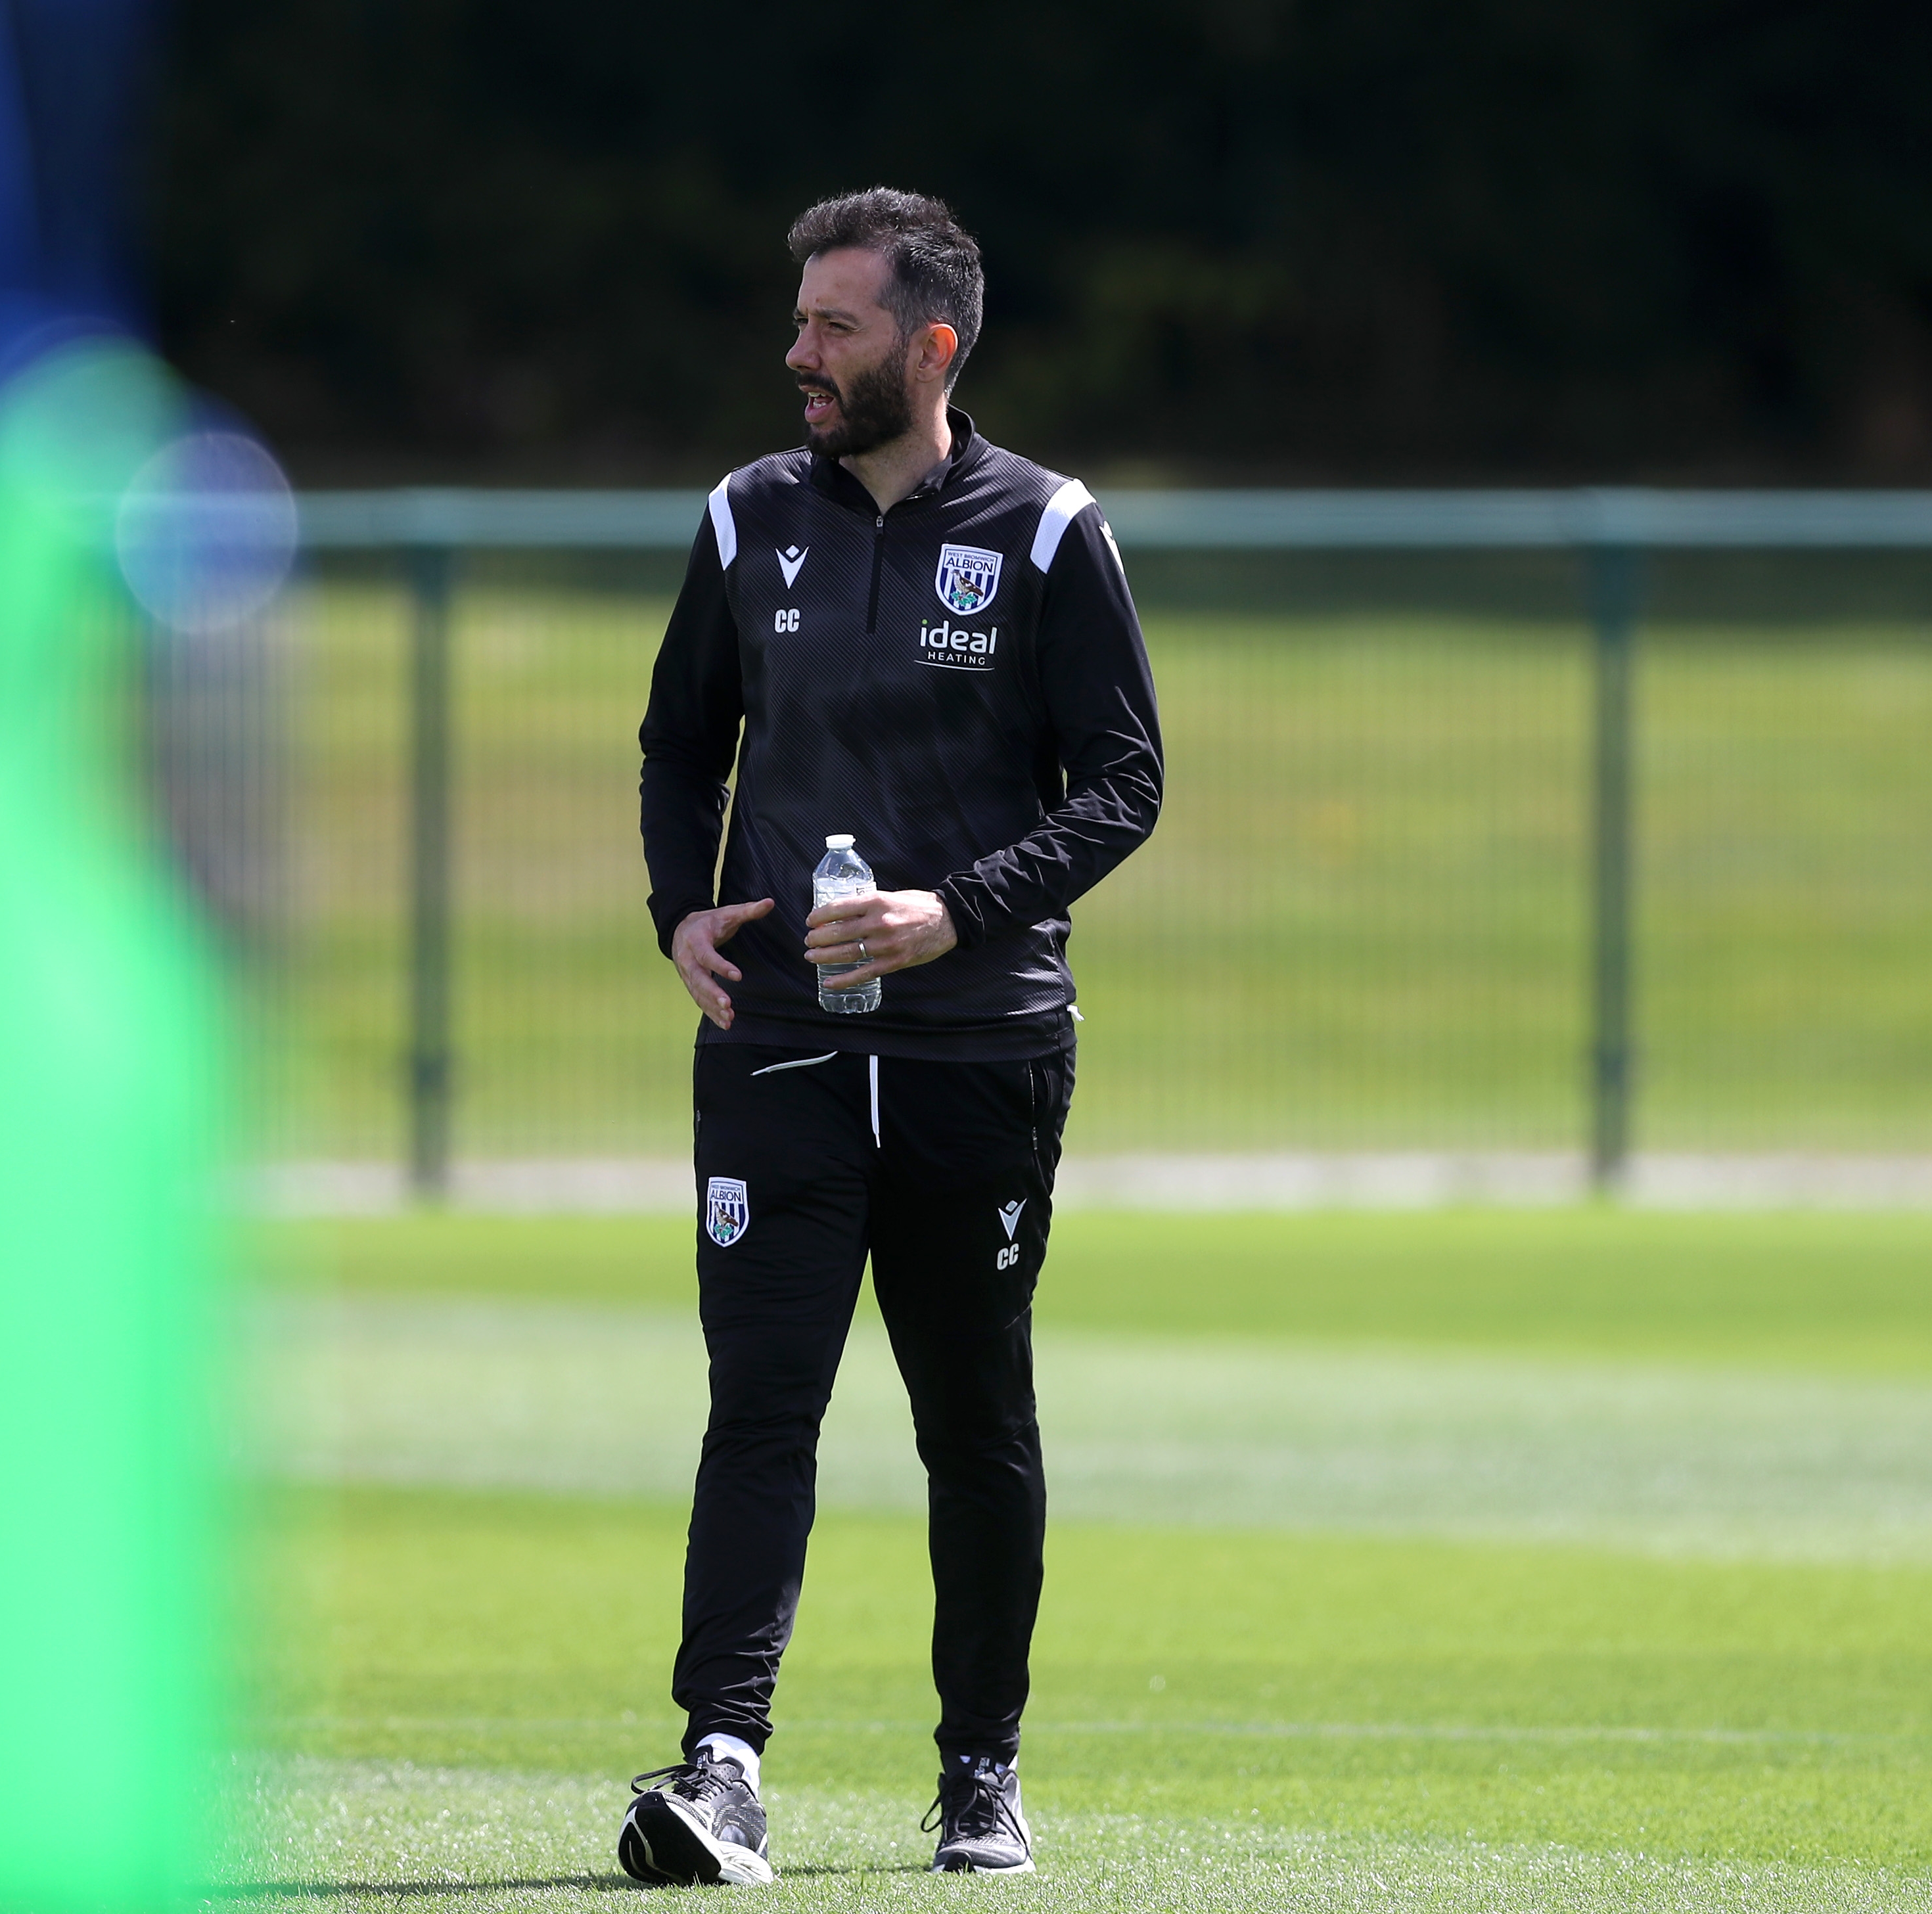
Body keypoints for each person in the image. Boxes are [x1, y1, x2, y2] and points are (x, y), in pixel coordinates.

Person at [621, 187, 1162, 1886]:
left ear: (928, 346)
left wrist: (955, 909)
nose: (797, 351)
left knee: (971, 1420)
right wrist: (676, 906)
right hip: (775, 1043)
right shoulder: (740, 519)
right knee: (757, 1407)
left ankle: (980, 1771)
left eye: (833, 325)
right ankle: (720, 1767)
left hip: (974, 1053)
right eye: (798, 320)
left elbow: (1127, 780)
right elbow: (674, 743)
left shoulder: (1047, 527)